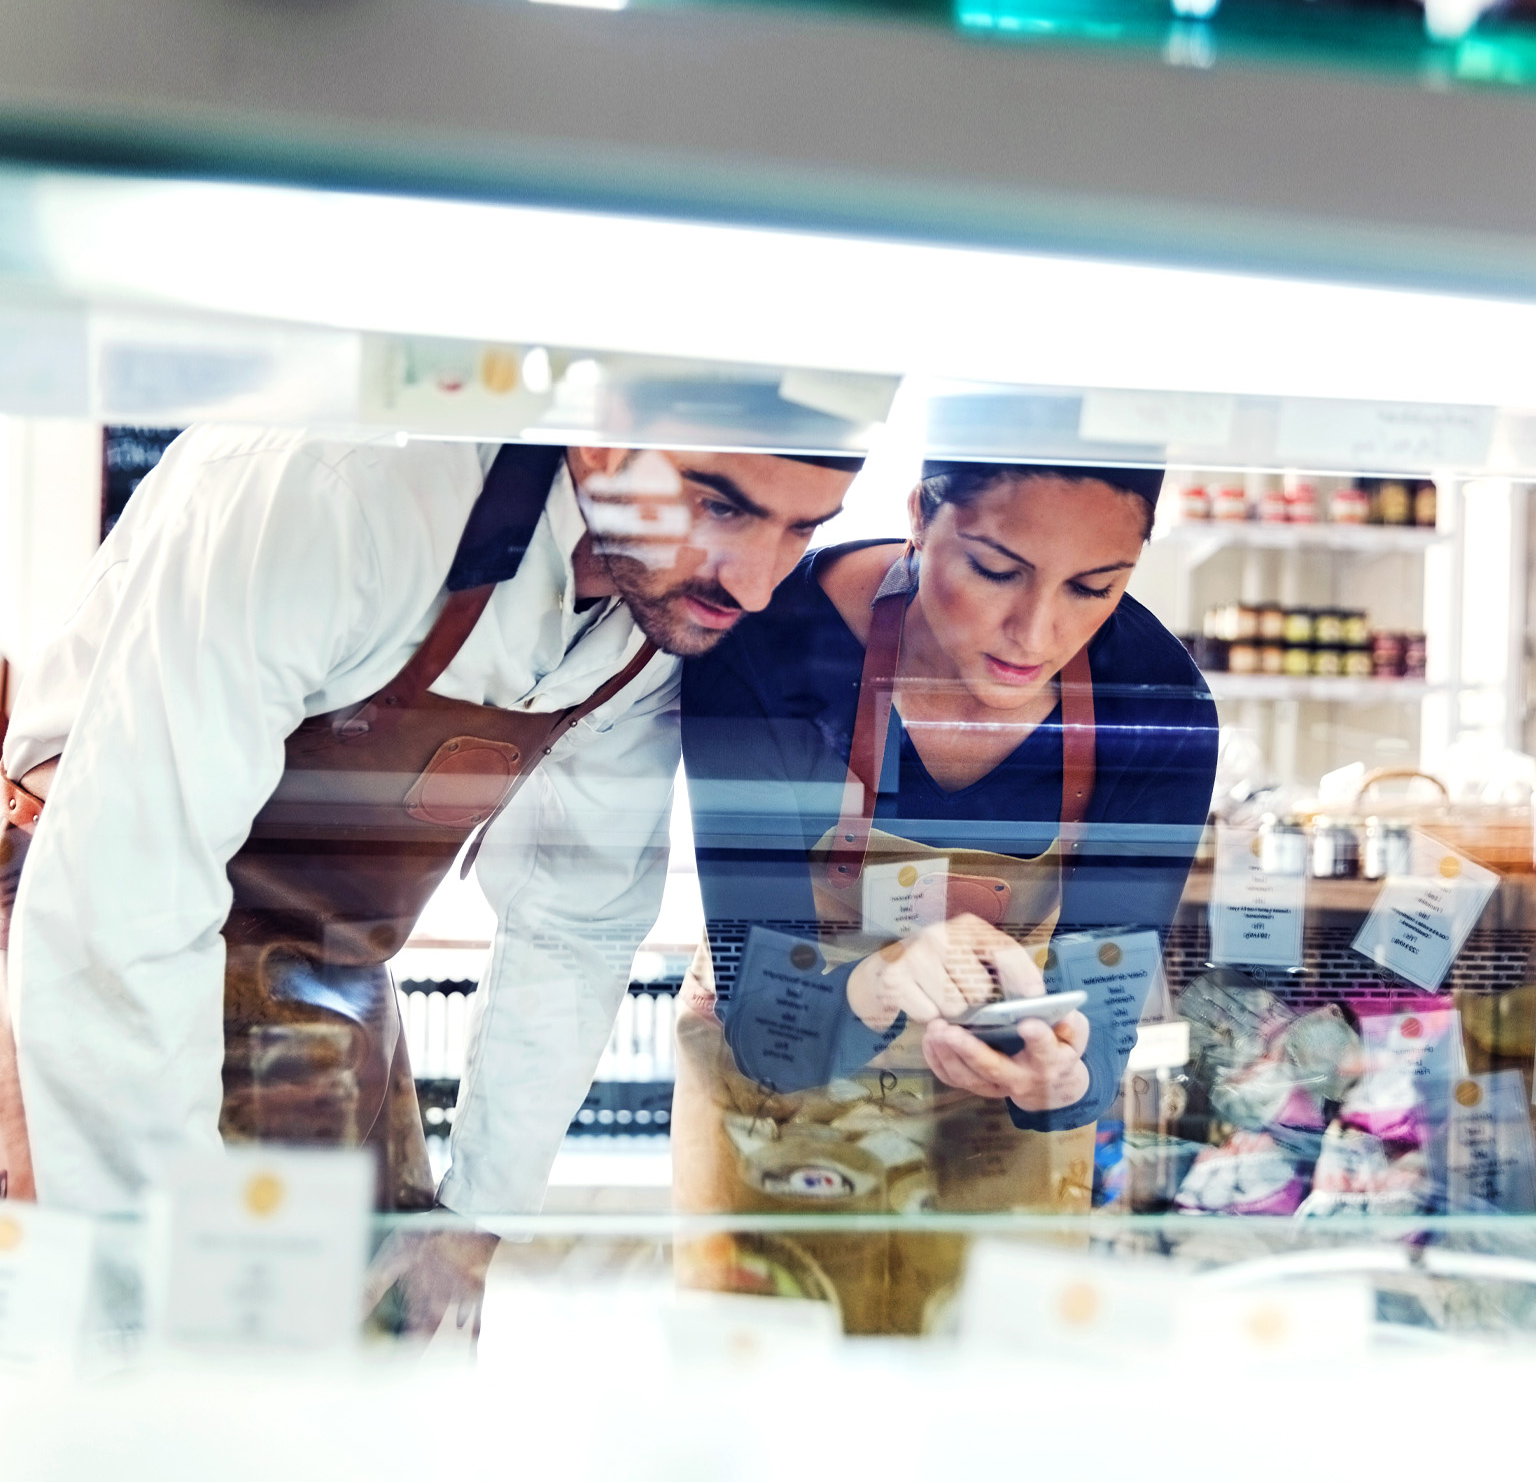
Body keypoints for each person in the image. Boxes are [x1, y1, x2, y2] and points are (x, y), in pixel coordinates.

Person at [0, 404, 866, 1257]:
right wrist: (161, 1266)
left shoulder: (657, 617)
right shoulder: (338, 492)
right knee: (124, 1350)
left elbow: (574, 924)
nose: (754, 585)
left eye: (803, 529)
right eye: (718, 506)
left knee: (385, 1342)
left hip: (327, 974)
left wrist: (474, 1228)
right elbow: (129, 896)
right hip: (77, 939)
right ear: (601, 439)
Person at [673, 458, 1219, 1331]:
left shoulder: (1156, 706)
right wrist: (881, 979)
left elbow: (1103, 1022)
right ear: (920, 515)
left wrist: (1059, 1075)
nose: (1035, 632)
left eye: (1094, 587)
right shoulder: (774, 654)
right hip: (778, 1108)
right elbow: (764, 1010)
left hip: (998, 1136)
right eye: (996, 569)